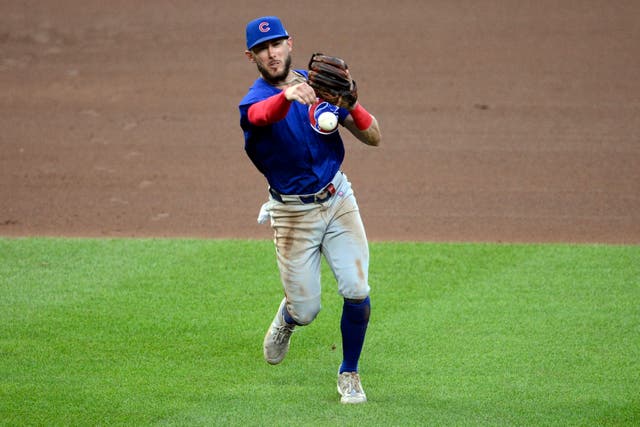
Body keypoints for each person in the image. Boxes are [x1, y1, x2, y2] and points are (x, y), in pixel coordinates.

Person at [238, 16, 381, 404]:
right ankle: (288, 318)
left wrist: (353, 106)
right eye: (262, 48)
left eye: (277, 44)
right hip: (291, 215)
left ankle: (349, 372)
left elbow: (374, 137)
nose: (271, 53)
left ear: (290, 44)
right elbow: (259, 117)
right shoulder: (253, 101)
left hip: (337, 200)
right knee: (307, 309)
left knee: (357, 289)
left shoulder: (322, 85)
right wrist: (286, 96)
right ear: (250, 56)